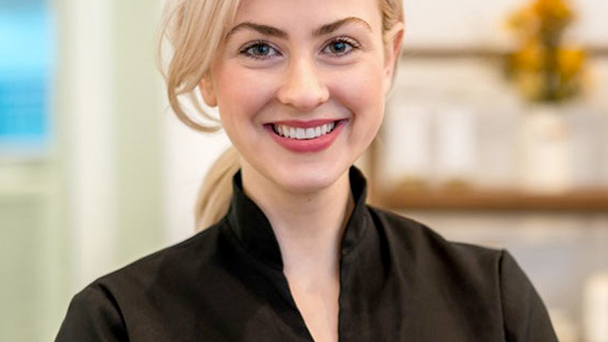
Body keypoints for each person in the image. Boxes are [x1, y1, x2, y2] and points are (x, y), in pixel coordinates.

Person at [56, 0, 559, 341]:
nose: (304, 91)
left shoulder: (494, 303)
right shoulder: (116, 323)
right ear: (209, 75)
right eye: (260, 49)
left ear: (388, 58)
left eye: (339, 46)